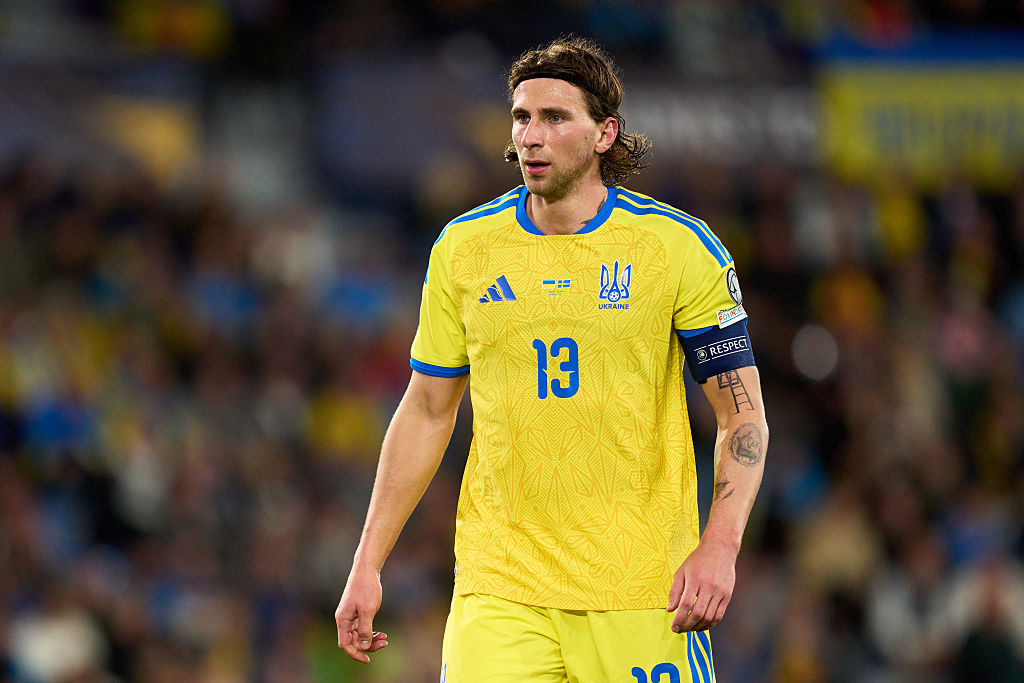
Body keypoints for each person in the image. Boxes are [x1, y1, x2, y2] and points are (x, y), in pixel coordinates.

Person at [336, 35, 768, 682]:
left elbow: (743, 417)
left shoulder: (676, 247)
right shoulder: (464, 248)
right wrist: (367, 560)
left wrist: (721, 546)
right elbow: (426, 409)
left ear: (604, 134)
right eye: (521, 117)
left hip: (642, 587)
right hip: (501, 587)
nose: (531, 136)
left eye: (555, 117)